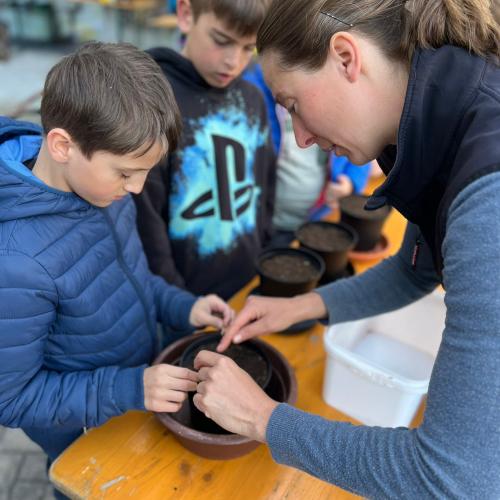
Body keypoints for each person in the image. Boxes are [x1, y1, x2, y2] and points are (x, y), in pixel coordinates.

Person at [191, 0, 500, 497]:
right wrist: (301, 305)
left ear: (345, 57)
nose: (302, 138)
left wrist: (262, 418)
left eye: (291, 104)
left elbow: (452, 479)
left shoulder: (489, 193)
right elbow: (414, 270)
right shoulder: (450, 121)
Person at [0, 42, 233, 498]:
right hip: (82, 434)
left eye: (147, 171)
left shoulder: (101, 189)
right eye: (126, 172)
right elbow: (13, 398)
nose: (139, 187)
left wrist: (185, 308)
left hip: (134, 394)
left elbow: (130, 279)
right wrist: (128, 387)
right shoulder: (17, 266)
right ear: (62, 145)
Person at [134, 0, 276, 302]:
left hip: (247, 281)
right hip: (182, 298)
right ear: (186, 14)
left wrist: (263, 248)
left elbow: (265, 183)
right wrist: (178, 299)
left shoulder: (253, 99)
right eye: (221, 41)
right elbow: (145, 218)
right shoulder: (152, 102)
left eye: (248, 47)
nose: (233, 61)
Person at [243, 62, 371, 247]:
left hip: (318, 217)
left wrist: (351, 182)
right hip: (263, 223)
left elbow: (357, 141)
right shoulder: (254, 90)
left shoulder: (336, 88)